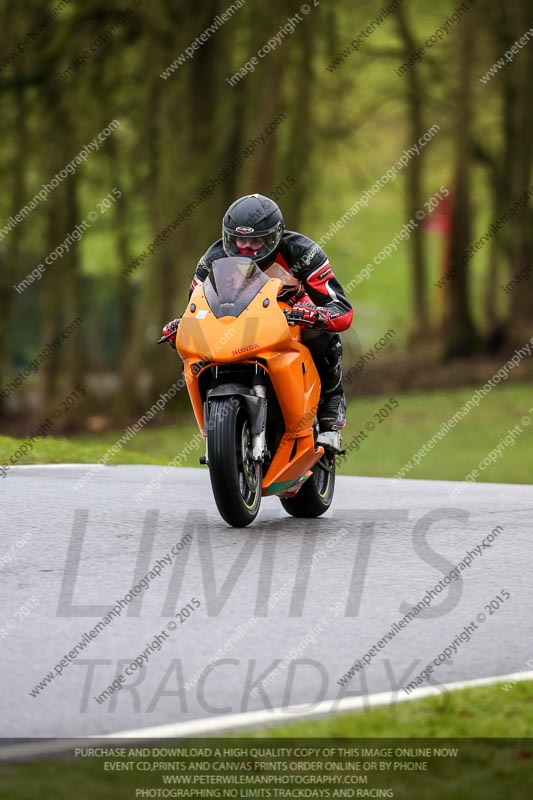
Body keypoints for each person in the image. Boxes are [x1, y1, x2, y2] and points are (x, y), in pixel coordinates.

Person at [162, 194, 353, 431]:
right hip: (235, 320)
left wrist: (316, 315)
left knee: (321, 336)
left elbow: (341, 309)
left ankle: (332, 397)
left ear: (274, 237)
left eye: (256, 242)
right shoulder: (212, 259)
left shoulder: (303, 252)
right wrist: (182, 325)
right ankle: (213, 417)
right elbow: (197, 306)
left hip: (292, 314)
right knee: (193, 354)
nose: (245, 249)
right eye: (238, 241)